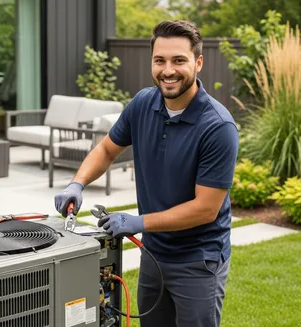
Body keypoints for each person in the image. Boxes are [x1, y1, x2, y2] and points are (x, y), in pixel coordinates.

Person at [54, 20, 239, 327]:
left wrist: (139, 222)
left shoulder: (218, 127)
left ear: (198, 62)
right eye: (160, 60)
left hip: (198, 261)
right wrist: (77, 183)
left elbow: (206, 209)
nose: (168, 70)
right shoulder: (143, 103)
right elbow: (106, 150)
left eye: (179, 60)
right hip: (154, 255)